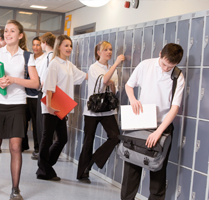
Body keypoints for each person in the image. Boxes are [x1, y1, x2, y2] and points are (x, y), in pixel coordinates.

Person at [0, 19, 39, 200]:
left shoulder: (27, 56)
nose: (8, 34)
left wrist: (13, 79)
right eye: (6, 31)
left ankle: (15, 189)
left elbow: (35, 83)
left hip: (17, 104)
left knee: (15, 146)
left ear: (20, 36)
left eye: (12, 31)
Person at [121, 43, 185, 200]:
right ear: (160, 54)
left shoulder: (178, 76)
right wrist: (133, 99)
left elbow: (174, 108)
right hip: (141, 123)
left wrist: (159, 131)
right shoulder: (145, 65)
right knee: (131, 170)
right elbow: (129, 85)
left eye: (170, 67)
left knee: (157, 171)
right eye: (164, 64)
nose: (165, 69)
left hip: (162, 127)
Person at [36, 35, 88, 181]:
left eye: (70, 46)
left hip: (61, 106)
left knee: (62, 138)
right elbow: (49, 87)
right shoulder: (54, 64)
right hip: (51, 106)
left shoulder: (69, 65)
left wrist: (102, 77)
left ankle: (44, 166)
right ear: (59, 46)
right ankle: (44, 169)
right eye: (66, 45)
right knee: (47, 139)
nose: (69, 48)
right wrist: (50, 107)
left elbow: (84, 76)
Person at [77, 41, 125, 183]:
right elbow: (104, 81)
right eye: (105, 50)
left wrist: (112, 83)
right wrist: (116, 64)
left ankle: (93, 160)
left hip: (107, 110)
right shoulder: (94, 67)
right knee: (88, 141)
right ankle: (82, 173)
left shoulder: (112, 68)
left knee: (115, 136)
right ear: (98, 52)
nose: (109, 52)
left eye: (110, 49)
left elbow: (113, 89)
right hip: (93, 110)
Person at [21, 36, 46, 159]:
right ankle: (23, 145)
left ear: (43, 45)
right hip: (25, 94)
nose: (36, 47)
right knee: (23, 122)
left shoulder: (45, 58)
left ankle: (37, 148)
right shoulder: (29, 57)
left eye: (38, 44)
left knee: (37, 124)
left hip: (37, 95)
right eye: (34, 44)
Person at [35, 32, 56, 159]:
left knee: (43, 125)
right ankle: (44, 152)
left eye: (41, 42)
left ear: (45, 43)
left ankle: (44, 152)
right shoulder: (49, 56)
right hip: (45, 90)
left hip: (45, 91)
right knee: (44, 125)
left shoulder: (50, 56)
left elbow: (46, 75)